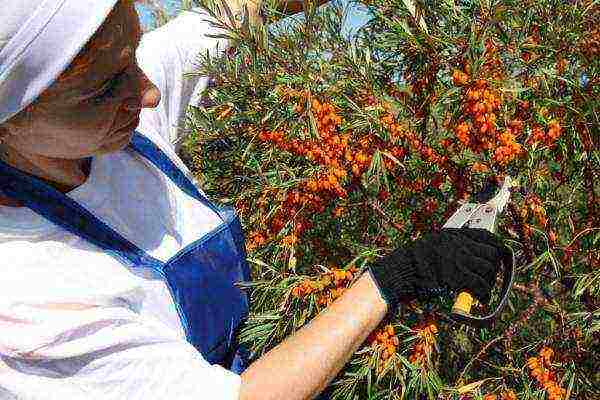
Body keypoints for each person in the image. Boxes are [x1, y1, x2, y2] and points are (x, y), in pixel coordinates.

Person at [0, 1, 511, 399]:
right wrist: (395, 278)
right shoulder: (28, 297)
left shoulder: (113, 115)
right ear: (12, 120)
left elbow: (236, 13)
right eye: (105, 89)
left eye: (132, 53)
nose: (149, 92)